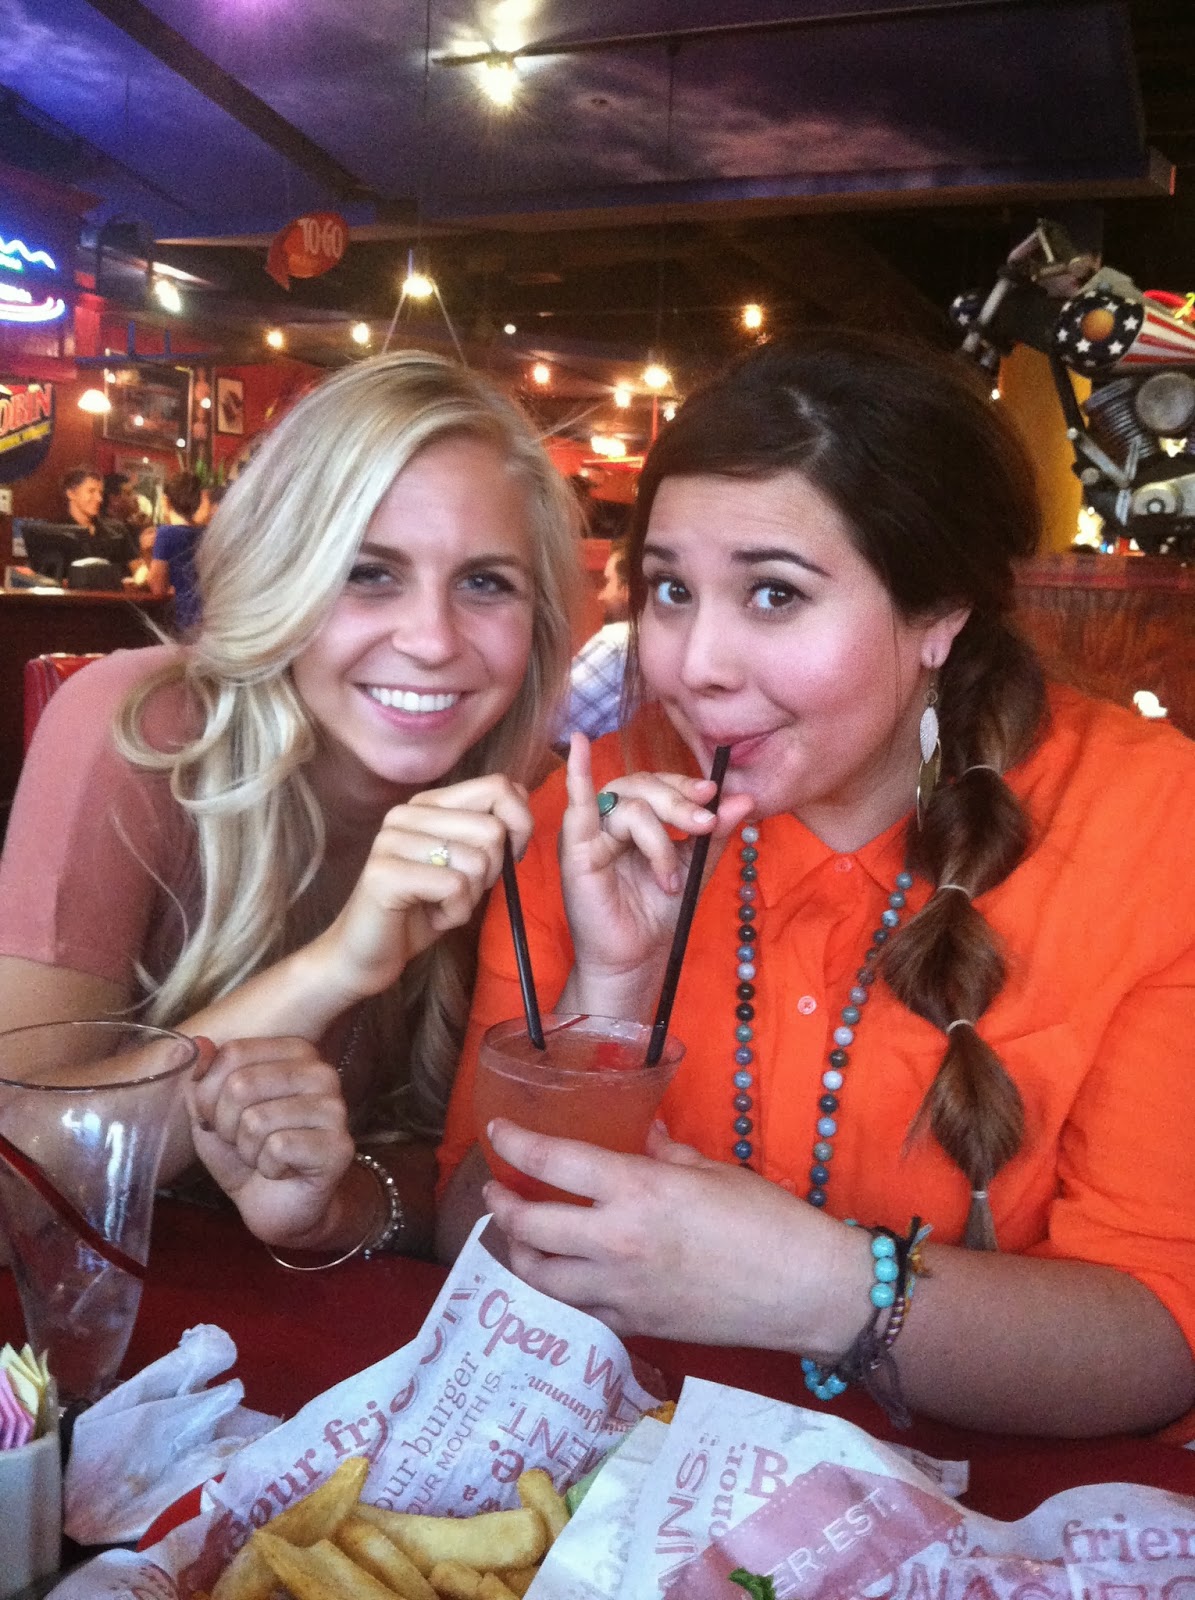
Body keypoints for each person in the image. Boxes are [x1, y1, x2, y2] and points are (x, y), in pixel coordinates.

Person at [436, 330, 1195, 1441]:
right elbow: (470, 1232)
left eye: (773, 594)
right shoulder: (599, 811)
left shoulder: (1154, 826)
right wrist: (612, 996)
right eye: (669, 590)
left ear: (939, 615)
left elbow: (1158, 1340)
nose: (694, 665)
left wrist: (822, 1288)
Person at [0, 351, 580, 1264]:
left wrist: (335, 1208)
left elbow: (475, 1198)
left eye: (484, 583)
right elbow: (10, 1186)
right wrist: (337, 967)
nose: (431, 640)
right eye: (367, 572)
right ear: (283, 575)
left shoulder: (536, 811)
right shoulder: (139, 731)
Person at [558, 539, 634, 741]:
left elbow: (549, 720)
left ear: (628, 590)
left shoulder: (617, 644)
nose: (601, 596)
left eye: (608, 582)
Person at [148, 470, 212, 628]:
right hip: (209, 614)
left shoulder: (166, 534)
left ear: (166, 501)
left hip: (183, 616)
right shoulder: (207, 534)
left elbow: (158, 587)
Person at [61, 465, 139, 573]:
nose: (99, 499)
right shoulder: (57, 533)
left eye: (100, 493)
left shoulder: (117, 530)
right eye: (91, 491)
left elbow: (138, 569)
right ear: (71, 493)